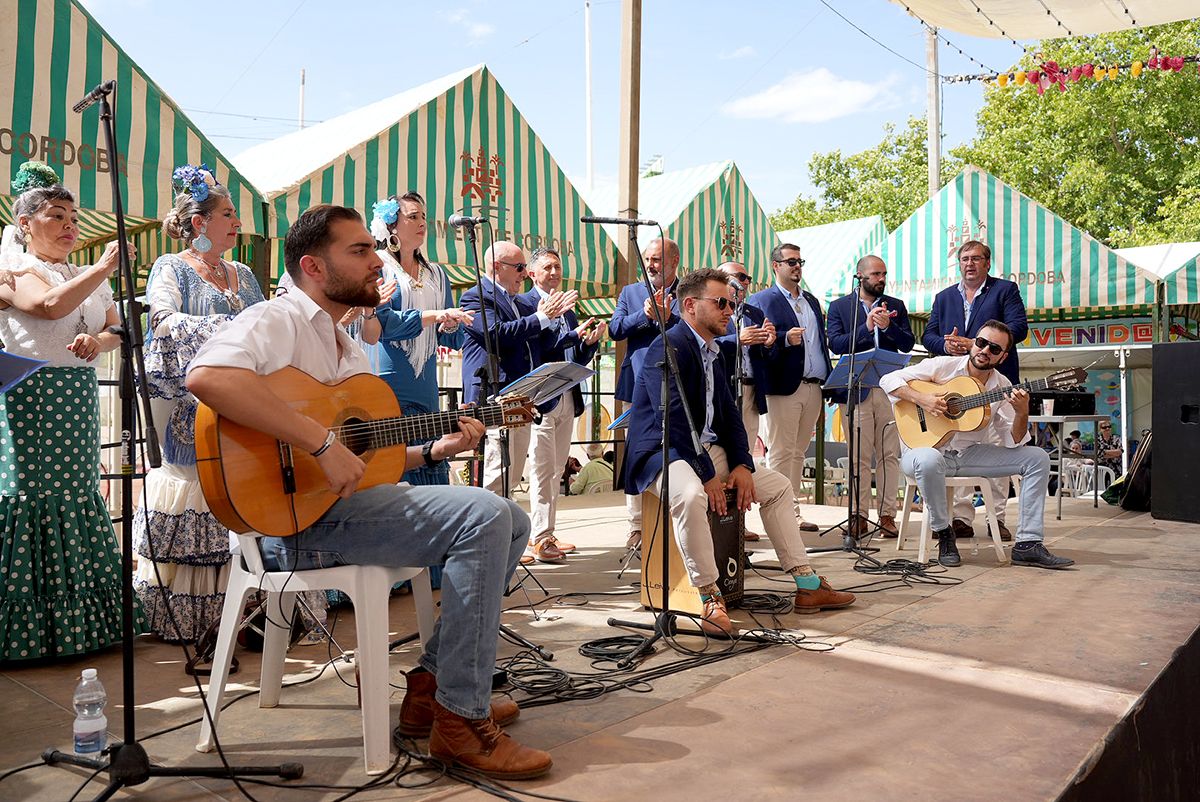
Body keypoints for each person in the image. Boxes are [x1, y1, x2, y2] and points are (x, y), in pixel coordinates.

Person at [185, 204, 552, 779]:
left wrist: (436, 449)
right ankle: (459, 720)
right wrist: (319, 443)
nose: (376, 259)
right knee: (483, 516)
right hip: (292, 524)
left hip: (343, 508)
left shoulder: (345, 344)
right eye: (358, 250)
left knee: (513, 518)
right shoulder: (275, 320)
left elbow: (368, 460)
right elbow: (207, 377)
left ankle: (434, 691)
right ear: (312, 265)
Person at [624, 268, 855, 636]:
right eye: (720, 303)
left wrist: (743, 464)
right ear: (689, 305)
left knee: (777, 485)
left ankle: (808, 586)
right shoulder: (667, 346)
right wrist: (707, 474)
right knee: (689, 494)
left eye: (730, 304)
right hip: (664, 452)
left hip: (704, 450)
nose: (729, 311)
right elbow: (674, 419)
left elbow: (729, 417)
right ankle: (708, 596)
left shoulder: (713, 351)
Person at [0, 160, 144, 661]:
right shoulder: (14, 270)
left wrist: (97, 339)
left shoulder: (81, 276)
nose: (69, 226)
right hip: (32, 394)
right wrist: (104, 267)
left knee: (76, 493)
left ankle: (82, 626)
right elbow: (48, 308)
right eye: (56, 216)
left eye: (73, 218)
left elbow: (121, 329)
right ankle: (31, 630)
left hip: (76, 392)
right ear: (25, 224)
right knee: (35, 496)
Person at [129, 164, 267, 643]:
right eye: (228, 214)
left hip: (242, 402)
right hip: (190, 401)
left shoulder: (244, 272)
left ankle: (248, 615)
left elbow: (264, 326)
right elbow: (163, 322)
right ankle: (204, 623)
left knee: (243, 488)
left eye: (236, 214)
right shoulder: (171, 267)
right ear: (199, 223)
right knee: (201, 487)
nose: (237, 222)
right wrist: (230, 333)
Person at [880, 319, 1073, 570]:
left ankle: (1028, 544)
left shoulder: (1002, 386)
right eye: (981, 343)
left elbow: (1013, 441)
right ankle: (944, 533)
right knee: (930, 459)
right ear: (973, 344)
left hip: (968, 455)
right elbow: (888, 379)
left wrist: (1022, 412)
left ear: (1002, 357)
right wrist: (924, 399)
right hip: (922, 452)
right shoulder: (943, 366)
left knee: (1037, 457)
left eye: (994, 349)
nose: (984, 351)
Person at [922, 240, 1028, 542]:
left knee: (998, 449)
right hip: (954, 389)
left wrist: (974, 344)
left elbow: (1018, 329)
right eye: (965, 259)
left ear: (987, 263)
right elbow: (928, 335)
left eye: (976, 259)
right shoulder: (944, 297)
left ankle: (998, 518)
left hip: (994, 385)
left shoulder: (1005, 290)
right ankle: (960, 518)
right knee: (957, 447)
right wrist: (945, 344)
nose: (970, 264)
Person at [365, 192, 472, 484]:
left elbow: (451, 340)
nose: (421, 222)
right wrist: (434, 316)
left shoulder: (437, 273)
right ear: (391, 226)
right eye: (412, 217)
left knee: (429, 457)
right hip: (388, 380)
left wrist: (449, 324)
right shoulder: (378, 267)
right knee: (393, 462)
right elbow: (382, 323)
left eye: (423, 216)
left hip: (425, 383)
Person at [460, 241, 576, 504]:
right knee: (495, 473)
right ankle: (487, 537)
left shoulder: (520, 304)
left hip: (521, 397)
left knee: (511, 476)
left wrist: (569, 332)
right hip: (494, 396)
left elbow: (541, 346)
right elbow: (495, 334)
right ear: (497, 267)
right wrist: (541, 318)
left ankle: (503, 536)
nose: (525, 274)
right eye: (520, 267)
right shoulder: (475, 296)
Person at [517, 247, 604, 563]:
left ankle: (547, 532)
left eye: (558, 267)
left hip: (568, 394)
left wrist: (587, 343)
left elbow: (572, 354)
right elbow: (536, 351)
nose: (555, 273)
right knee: (540, 469)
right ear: (532, 272)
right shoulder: (524, 304)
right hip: (540, 397)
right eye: (548, 267)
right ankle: (537, 538)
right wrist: (565, 333)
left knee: (556, 470)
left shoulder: (567, 308)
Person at [825, 255, 915, 539]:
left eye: (884, 274)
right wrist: (867, 328)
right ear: (860, 276)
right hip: (856, 387)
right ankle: (859, 516)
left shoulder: (896, 305)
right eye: (876, 274)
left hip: (890, 390)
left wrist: (888, 327)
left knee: (889, 455)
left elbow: (908, 343)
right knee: (858, 457)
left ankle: (887, 515)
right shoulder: (840, 307)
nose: (881, 279)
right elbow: (836, 343)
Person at [748, 244, 829, 532]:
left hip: (813, 386)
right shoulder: (761, 300)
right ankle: (779, 515)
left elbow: (821, 342)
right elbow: (757, 342)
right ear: (775, 266)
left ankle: (792, 512)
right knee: (781, 452)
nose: (797, 266)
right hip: (783, 386)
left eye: (800, 261)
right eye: (790, 261)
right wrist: (783, 338)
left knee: (799, 452)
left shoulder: (810, 300)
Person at [609, 237, 681, 550]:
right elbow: (615, 329)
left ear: (674, 261)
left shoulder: (688, 291)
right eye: (648, 260)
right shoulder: (631, 292)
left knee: (675, 451)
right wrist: (646, 316)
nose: (650, 266)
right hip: (637, 383)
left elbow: (694, 327)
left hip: (677, 385)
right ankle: (635, 526)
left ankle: (671, 520)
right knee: (636, 454)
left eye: (656, 260)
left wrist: (669, 318)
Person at [716, 260, 774, 542]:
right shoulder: (715, 308)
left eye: (747, 277)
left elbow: (764, 356)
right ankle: (722, 516)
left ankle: (741, 520)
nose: (745, 282)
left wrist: (769, 342)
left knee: (744, 455)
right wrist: (737, 339)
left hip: (751, 389)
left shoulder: (753, 311)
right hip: (725, 389)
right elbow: (710, 347)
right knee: (724, 454)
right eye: (739, 277)